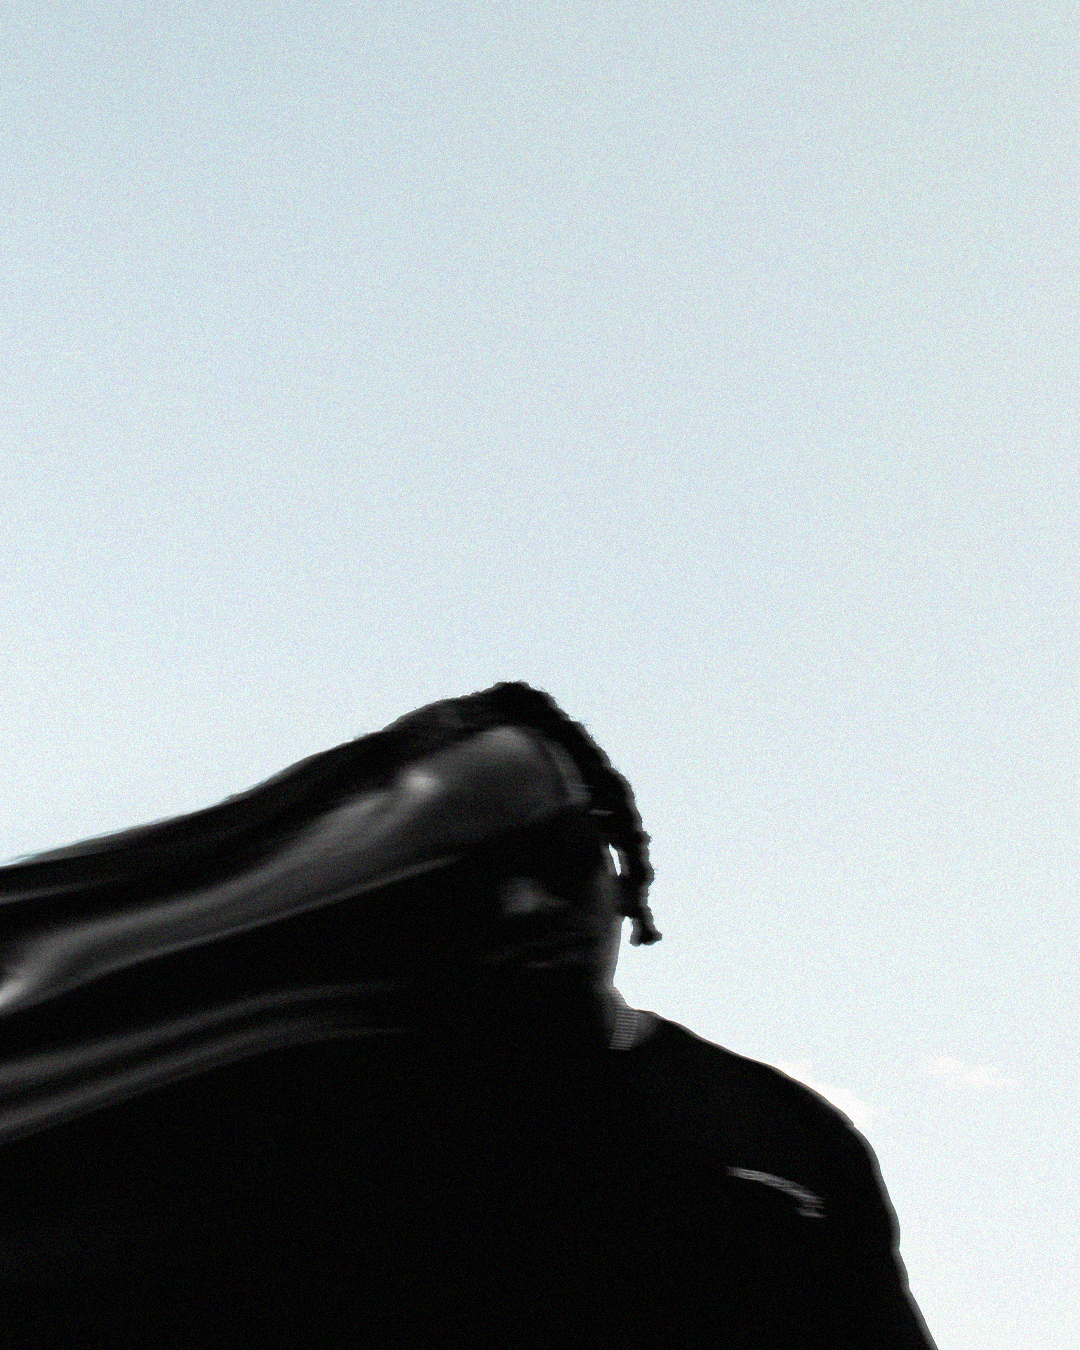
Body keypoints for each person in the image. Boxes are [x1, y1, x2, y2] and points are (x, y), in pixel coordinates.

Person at [0, 682, 937, 1348]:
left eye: (557, 859)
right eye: (476, 878)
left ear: (616, 872)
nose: (527, 905)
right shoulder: (318, 1112)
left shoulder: (779, 1130)